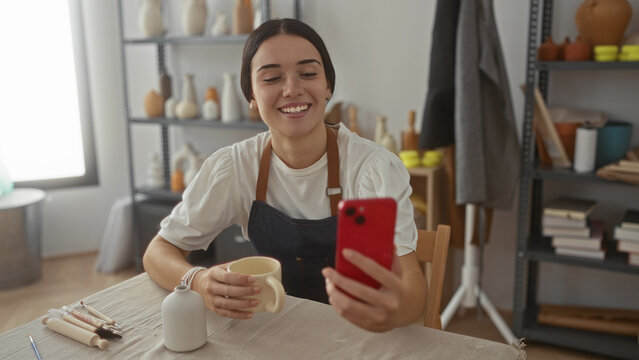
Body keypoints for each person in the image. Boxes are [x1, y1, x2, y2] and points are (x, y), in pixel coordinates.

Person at [143, 18, 426, 333]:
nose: (292, 89)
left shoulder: (373, 168)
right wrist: (197, 281)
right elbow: (158, 251)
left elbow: (413, 284)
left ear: (328, 86)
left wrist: (395, 312)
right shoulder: (234, 167)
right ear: (251, 95)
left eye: (308, 74)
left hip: (359, 335)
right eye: (272, 77)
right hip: (273, 331)